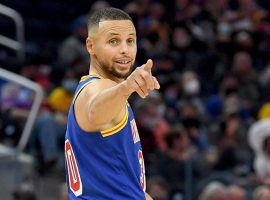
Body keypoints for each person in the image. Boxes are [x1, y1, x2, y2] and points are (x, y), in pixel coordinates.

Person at [64, 7, 159, 199]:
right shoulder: (95, 89)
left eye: (130, 41)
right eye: (113, 41)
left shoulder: (114, 96)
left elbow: (132, 190)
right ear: (91, 46)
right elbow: (94, 111)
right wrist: (126, 88)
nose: (124, 49)